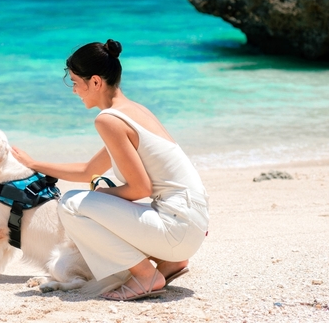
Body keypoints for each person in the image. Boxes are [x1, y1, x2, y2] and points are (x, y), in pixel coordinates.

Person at [11, 39, 210, 301]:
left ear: (94, 82)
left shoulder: (109, 120)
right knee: (84, 200)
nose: (74, 90)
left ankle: (145, 275)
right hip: (192, 224)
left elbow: (141, 189)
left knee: (70, 203)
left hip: (177, 228)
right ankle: (169, 262)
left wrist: (104, 195)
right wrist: (34, 164)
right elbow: (89, 170)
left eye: (74, 82)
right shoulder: (133, 111)